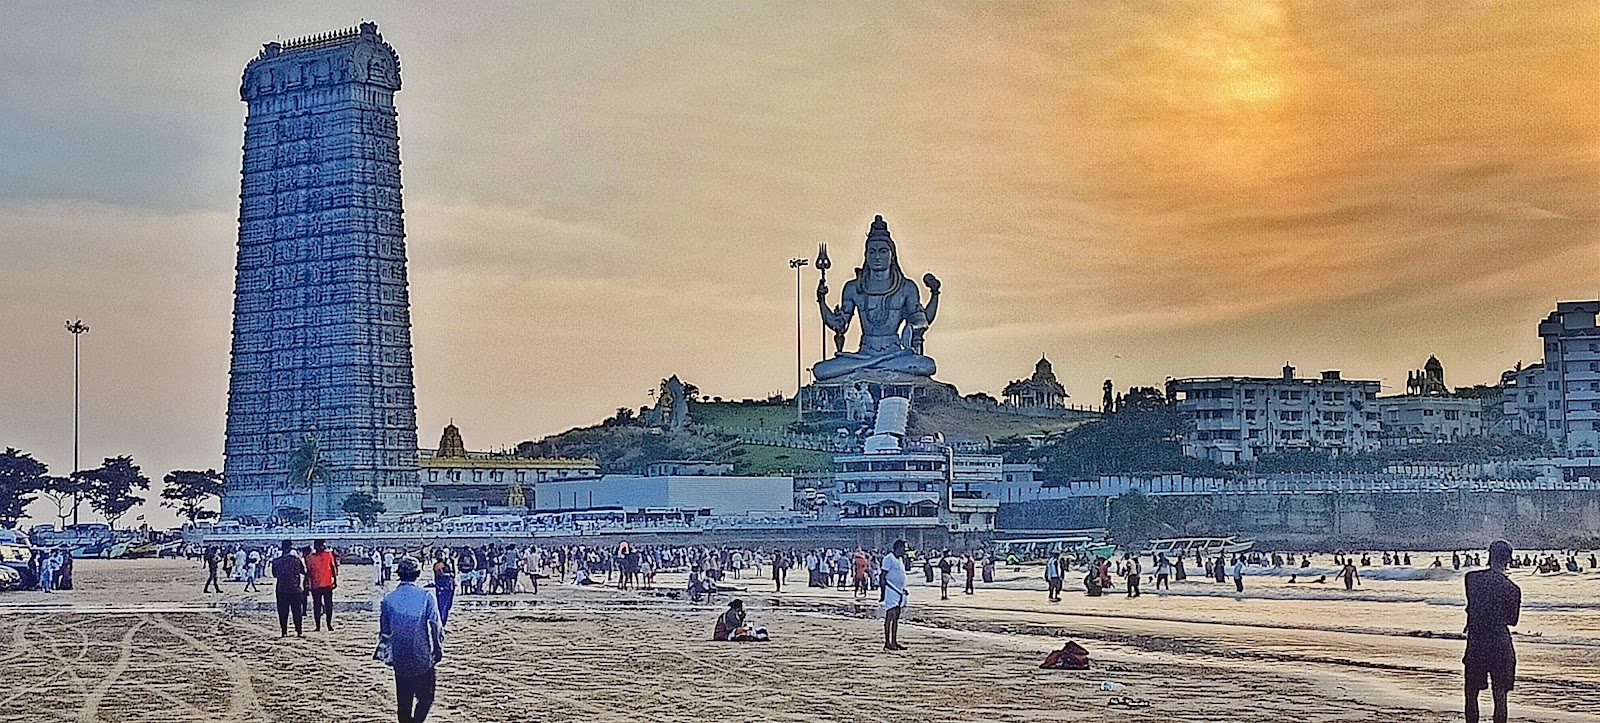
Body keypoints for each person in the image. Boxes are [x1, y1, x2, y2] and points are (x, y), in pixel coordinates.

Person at [380, 557, 444, 723]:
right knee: (426, 698)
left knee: (404, 701)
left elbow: (385, 631)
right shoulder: (425, 596)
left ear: (398, 574)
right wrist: (437, 648)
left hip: (400, 656)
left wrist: (387, 655)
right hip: (421, 654)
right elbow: (435, 626)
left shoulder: (388, 599)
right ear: (417, 574)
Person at [1464, 540, 1520, 723]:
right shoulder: (1512, 588)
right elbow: (1512, 621)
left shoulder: (1471, 579)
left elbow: (1472, 606)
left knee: (1471, 694)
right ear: (1509, 559)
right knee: (1500, 696)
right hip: (1500, 643)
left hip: (1477, 643)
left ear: (1489, 555)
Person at [270, 540, 307, 638]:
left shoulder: (276, 561)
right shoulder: (296, 560)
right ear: (291, 548)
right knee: (297, 611)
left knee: (283, 612)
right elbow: (304, 572)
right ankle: (299, 631)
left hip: (281, 589)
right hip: (295, 589)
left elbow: (274, 574)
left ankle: (284, 631)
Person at [880, 540, 909, 651]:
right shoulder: (889, 558)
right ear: (899, 547)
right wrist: (883, 593)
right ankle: (887, 642)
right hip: (890, 590)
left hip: (899, 591)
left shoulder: (900, 559)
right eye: (904, 548)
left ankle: (894, 641)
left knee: (896, 616)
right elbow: (882, 576)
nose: (905, 551)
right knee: (890, 616)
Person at [306, 539, 339, 632]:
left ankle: (328, 624)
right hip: (317, 585)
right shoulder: (312, 557)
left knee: (327, 605)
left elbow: (333, 568)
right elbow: (309, 572)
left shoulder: (313, 557)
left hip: (325, 584)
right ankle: (319, 626)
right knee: (318, 606)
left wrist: (335, 580)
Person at [431, 549, 456, 628]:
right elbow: (441, 574)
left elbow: (454, 573)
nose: (440, 556)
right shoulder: (438, 565)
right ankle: (441, 624)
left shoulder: (448, 563)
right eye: (438, 555)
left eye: (441, 554)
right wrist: (450, 574)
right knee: (442, 606)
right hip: (442, 587)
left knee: (448, 606)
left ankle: (442, 623)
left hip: (450, 587)